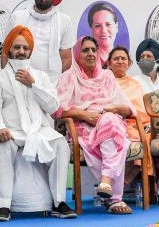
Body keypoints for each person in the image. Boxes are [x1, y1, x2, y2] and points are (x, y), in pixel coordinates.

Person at [0, 26, 76, 221]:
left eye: (25, 48)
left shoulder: (40, 76)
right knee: (2, 147)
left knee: (59, 143)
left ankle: (58, 202)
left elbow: (53, 106)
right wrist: (0, 128)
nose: (21, 52)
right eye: (16, 47)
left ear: (30, 51)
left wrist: (33, 85)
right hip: (12, 131)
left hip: (38, 130)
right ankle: (3, 206)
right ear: (8, 49)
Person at [55, 36, 134, 215]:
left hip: (109, 123)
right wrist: (83, 114)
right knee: (112, 134)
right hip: (83, 128)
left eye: (93, 50)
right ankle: (115, 199)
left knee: (109, 121)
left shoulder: (107, 76)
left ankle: (106, 180)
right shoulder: (68, 77)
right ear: (76, 54)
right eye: (85, 50)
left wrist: (114, 109)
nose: (91, 54)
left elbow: (127, 108)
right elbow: (57, 110)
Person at [7, 0, 74, 86]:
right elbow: (6, 50)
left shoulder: (64, 20)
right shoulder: (17, 17)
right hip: (18, 80)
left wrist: (57, 83)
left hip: (51, 83)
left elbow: (66, 58)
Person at [106, 47, 153, 192]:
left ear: (129, 63)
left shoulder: (135, 84)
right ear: (109, 63)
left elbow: (141, 111)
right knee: (136, 136)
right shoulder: (104, 81)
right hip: (112, 123)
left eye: (123, 58)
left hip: (136, 122)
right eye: (116, 58)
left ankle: (148, 182)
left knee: (149, 134)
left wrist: (129, 112)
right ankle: (119, 186)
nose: (120, 61)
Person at [87, 2, 120, 69]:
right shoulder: (85, 62)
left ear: (116, 27)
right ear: (91, 29)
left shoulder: (124, 60)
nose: (104, 30)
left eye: (108, 24)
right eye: (98, 26)